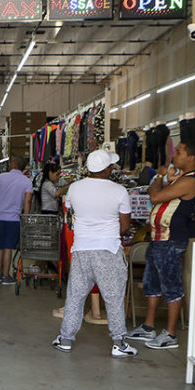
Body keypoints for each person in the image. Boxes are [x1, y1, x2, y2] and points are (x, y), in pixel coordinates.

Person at [52, 150, 136, 357]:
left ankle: (65, 339)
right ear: (106, 169)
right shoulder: (119, 191)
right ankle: (119, 343)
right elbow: (124, 226)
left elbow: (72, 214)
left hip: (81, 248)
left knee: (75, 296)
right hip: (108, 248)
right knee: (114, 296)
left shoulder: (73, 189)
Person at [126, 140, 195, 349]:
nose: (174, 156)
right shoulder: (180, 179)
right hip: (158, 238)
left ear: (191, 158)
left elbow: (155, 197)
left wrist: (159, 177)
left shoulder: (189, 182)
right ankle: (148, 326)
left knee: (171, 286)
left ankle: (170, 333)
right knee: (152, 283)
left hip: (171, 240)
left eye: (179, 152)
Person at [0, 155, 32, 284]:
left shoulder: (1, 177)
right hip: (13, 219)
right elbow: (27, 201)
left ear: (13, 165)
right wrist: (25, 218)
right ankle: (6, 276)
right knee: (8, 247)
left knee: (0, 247)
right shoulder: (26, 181)